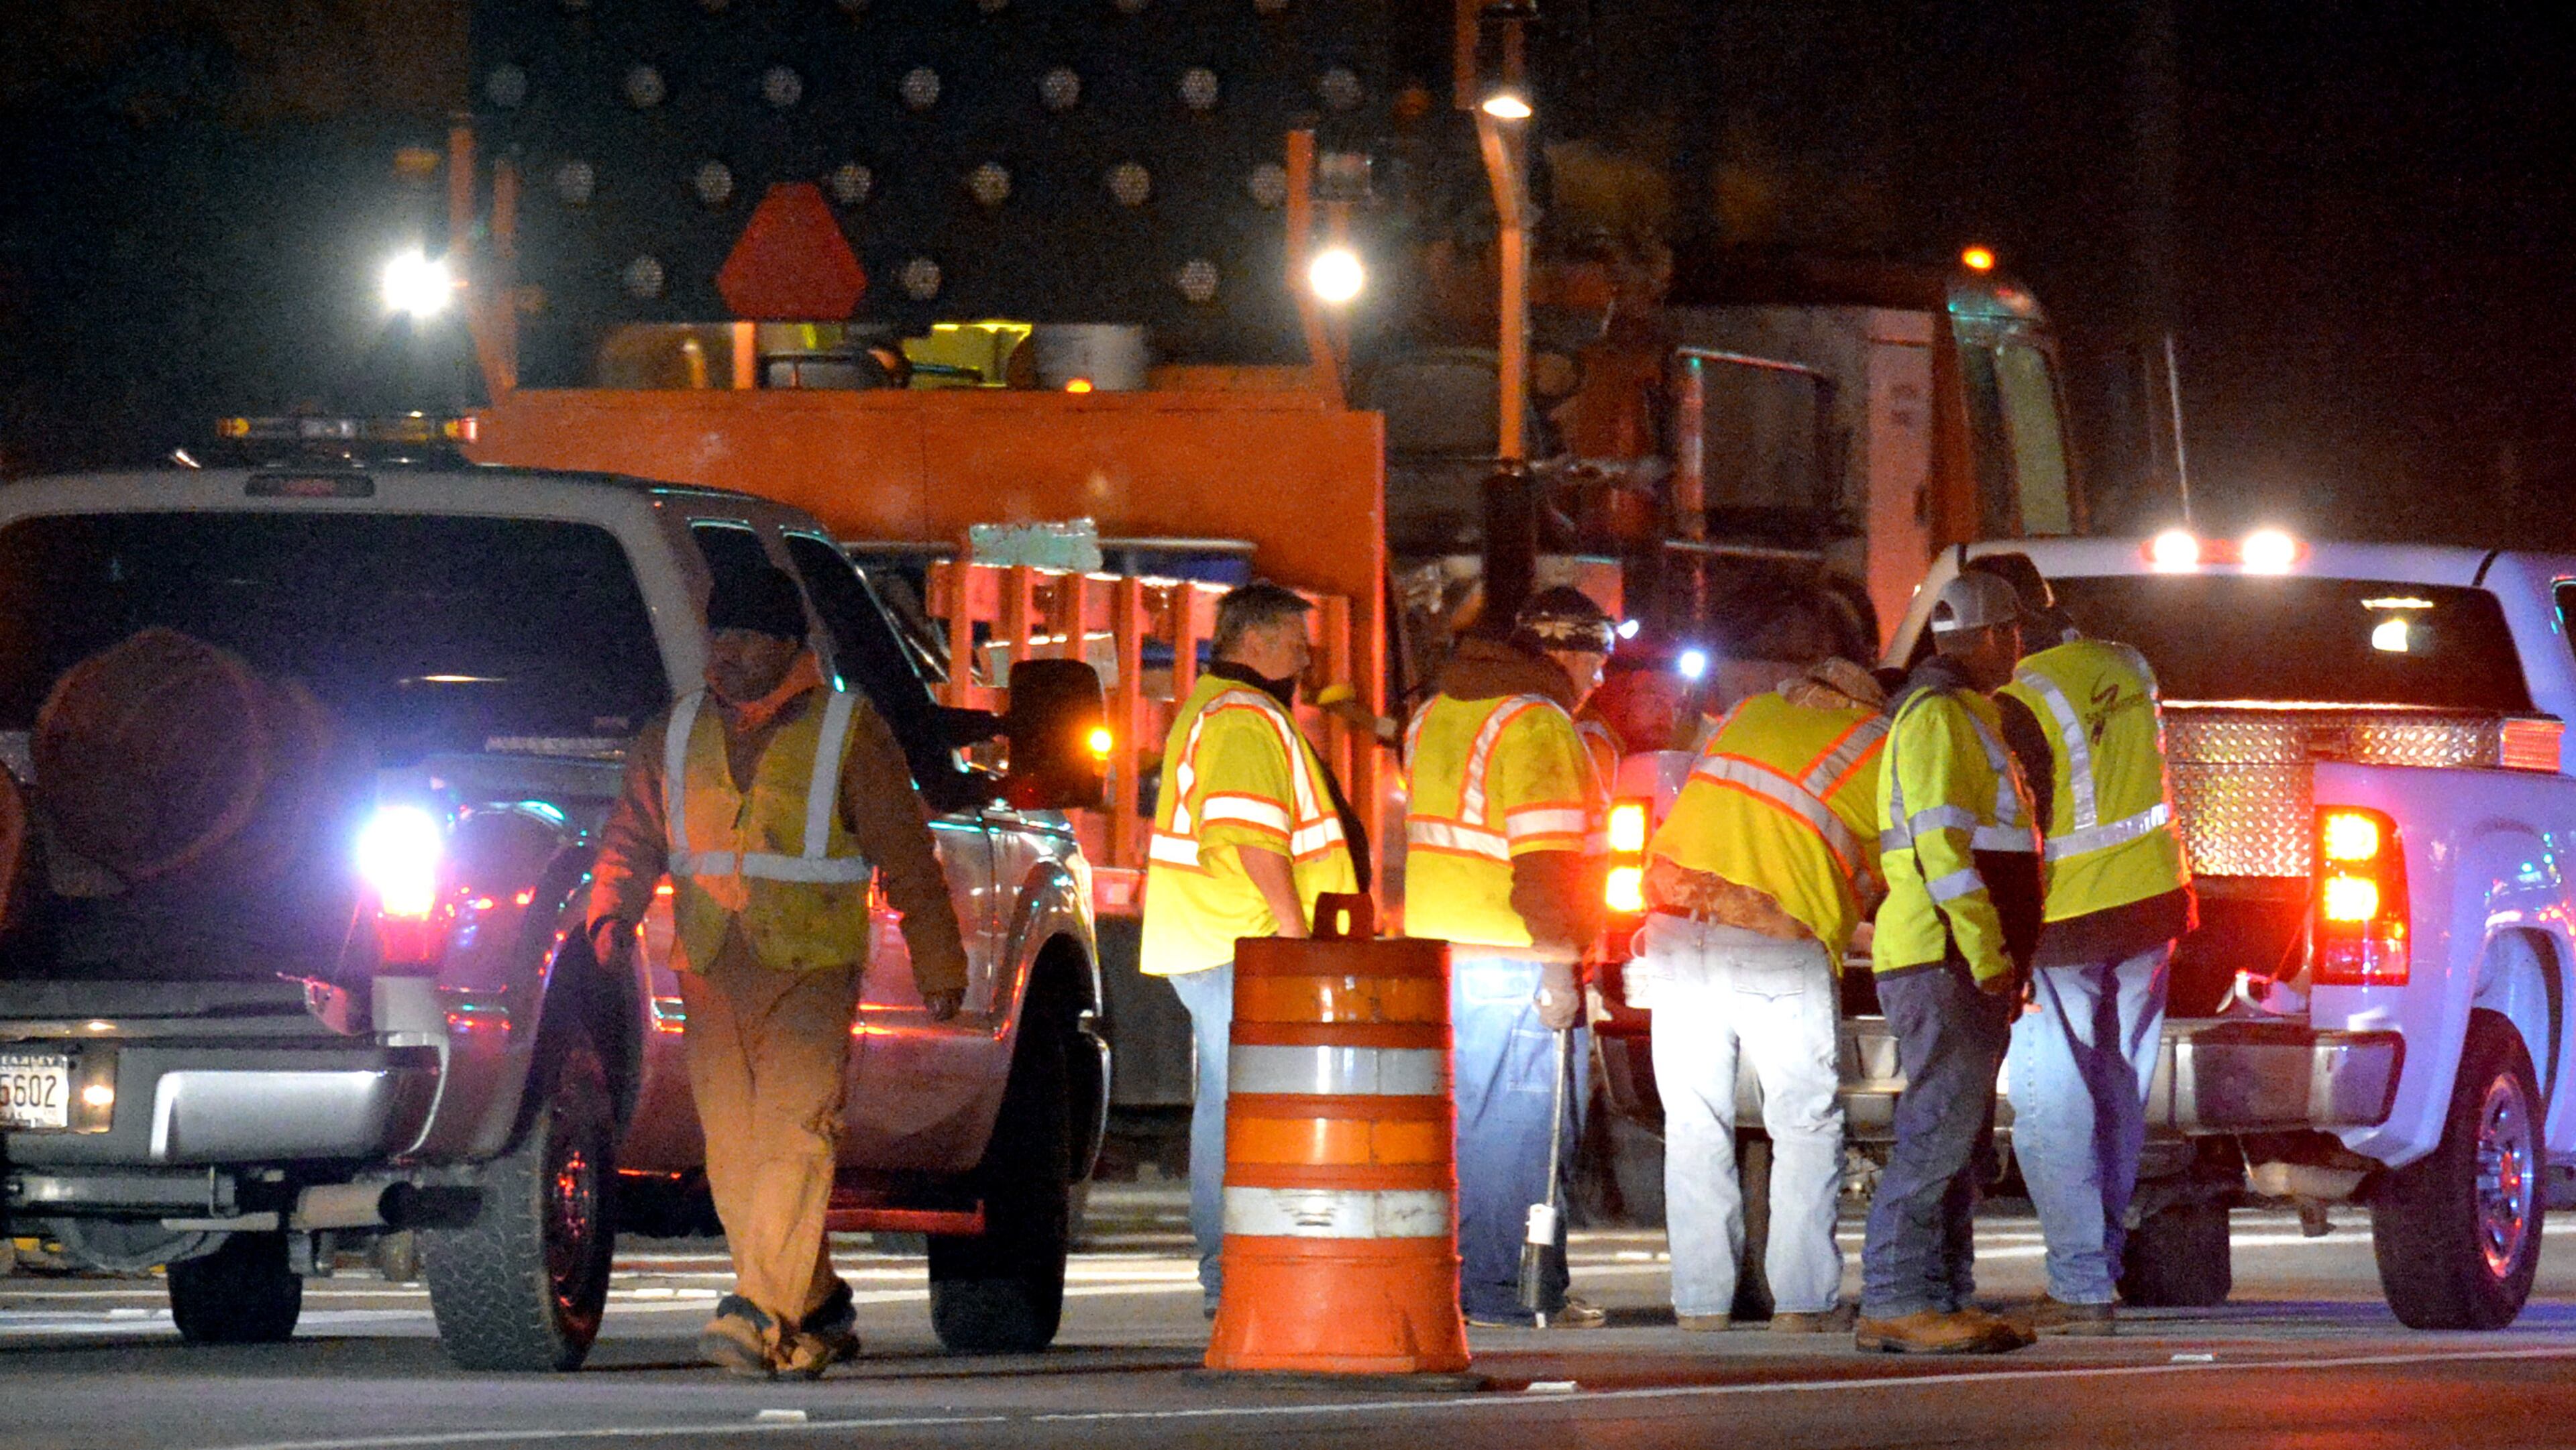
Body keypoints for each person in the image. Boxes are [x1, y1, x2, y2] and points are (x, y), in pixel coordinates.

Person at [587, 565, 970, 1379]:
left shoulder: (847, 729)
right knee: (732, 1148)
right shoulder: (676, 730)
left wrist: (939, 957)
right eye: (717, 637)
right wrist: (609, 911)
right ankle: (816, 1305)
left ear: (785, 646)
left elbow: (907, 854)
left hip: (810, 969)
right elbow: (632, 832)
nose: (722, 654)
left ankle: (760, 1309)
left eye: (741, 638)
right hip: (713, 965)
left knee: (794, 1134)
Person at [1627, 656, 1888, 1333]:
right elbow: (1902, 859)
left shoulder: (1747, 714)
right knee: (1803, 1122)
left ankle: (1701, 1306)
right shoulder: (1873, 743)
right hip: (1773, 937)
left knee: (1694, 1123)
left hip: (1676, 925)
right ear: (1863, 705)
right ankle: (1801, 1303)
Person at [1971, 553, 2196, 1336]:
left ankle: (2079, 1284)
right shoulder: (2127, 662)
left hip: (2069, 917)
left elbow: (2019, 822)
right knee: (2118, 1089)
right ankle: (2096, 1261)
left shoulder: (2019, 696)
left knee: (2050, 1104)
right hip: (2153, 902)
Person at [1137, 581, 1359, 1317]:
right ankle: (1230, 1274)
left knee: (1237, 1106)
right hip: (1244, 942)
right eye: (1297, 638)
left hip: (1227, 938)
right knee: (1242, 1110)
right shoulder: (1241, 715)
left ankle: (1236, 1269)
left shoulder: (1235, 709)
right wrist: (1297, 942)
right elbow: (1256, 841)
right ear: (1256, 641)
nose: (1307, 653)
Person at [1403, 585, 1614, 1329]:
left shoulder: (1436, 711)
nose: (1598, 680)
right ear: (1566, 652)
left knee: (1464, 1131)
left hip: (1444, 953)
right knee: (1530, 1137)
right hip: (1517, 958)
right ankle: (1519, 1290)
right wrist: (1561, 964)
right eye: (1597, 660)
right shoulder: (1538, 722)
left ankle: (1464, 1282)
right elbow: (1549, 866)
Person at [1854, 571, 2043, 1354]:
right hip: (1943, 955)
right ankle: (1898, 1298)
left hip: (1957, 956)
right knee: (1937, 1132)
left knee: (1957, 1136)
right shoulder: (1940, 719)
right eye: (2017, 633)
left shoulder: (1969, 717)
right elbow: (1944, 853)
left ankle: (1946, 1297)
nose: (2021, 645)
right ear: (1995, 636)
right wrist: (1988, 950)